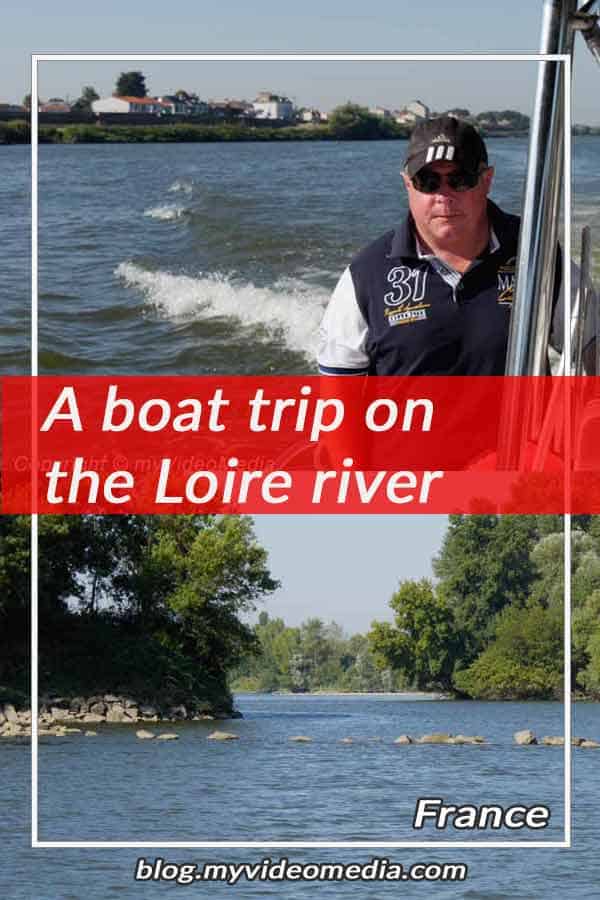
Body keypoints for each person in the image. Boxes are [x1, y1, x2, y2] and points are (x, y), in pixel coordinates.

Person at [318, 115, 593, 377]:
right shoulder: (367, 274)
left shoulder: (537, 255)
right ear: (408, 185)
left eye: (460, 180)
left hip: (522, 427)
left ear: (487, 181)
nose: (444, 196)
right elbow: (341, 395)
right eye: (428, 181)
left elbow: (590, 346)